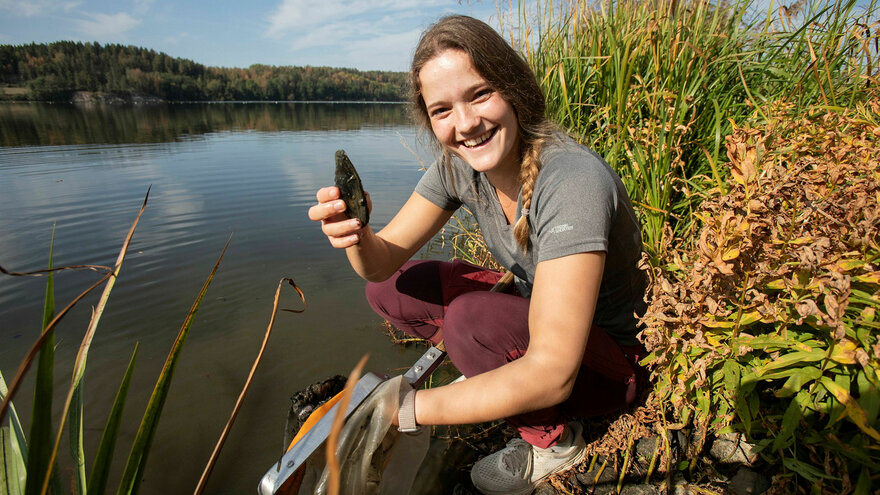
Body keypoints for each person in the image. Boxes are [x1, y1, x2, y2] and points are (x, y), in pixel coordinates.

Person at [308, 15, 648, 495]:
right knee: (390, 291)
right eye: (442, 109)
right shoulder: (457, 167)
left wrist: (404, 409)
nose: (465, 123)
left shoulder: (571, 181)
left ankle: (551, 441)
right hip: (544, 315)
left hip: (614, 364)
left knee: (470, 321)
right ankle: (491, 365)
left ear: (514, 89)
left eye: (480, 94)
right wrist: (354, 235)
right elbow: (382, 263)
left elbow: (552, 373)